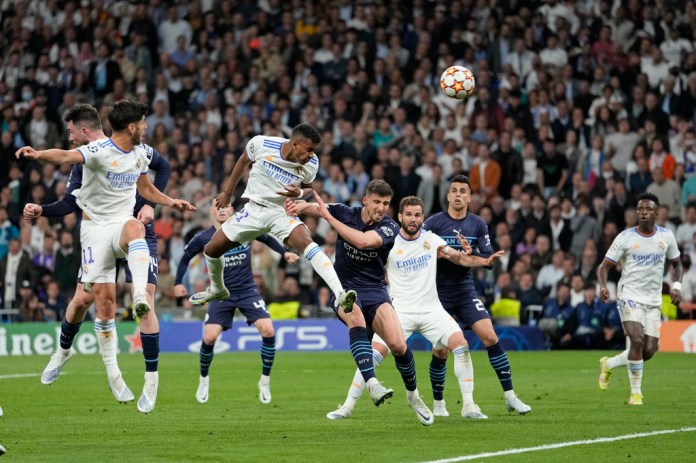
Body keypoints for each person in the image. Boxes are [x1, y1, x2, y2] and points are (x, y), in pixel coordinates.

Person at [16, 100, 195, 413]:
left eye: (72, 131)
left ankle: (150, 375)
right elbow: (67, 168)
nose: (146, 128)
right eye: (143, 123)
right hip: (96, 233)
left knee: (137, 240)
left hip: (128, 226)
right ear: (131, 126)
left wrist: (165, 202)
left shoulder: (141, 152)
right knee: (98, 304)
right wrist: (38, 156)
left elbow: (152, 180)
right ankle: (95, 366)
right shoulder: (93, 155)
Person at [327, 196, 505, 421]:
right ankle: (347, 406)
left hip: (432, 310)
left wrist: (484, 261)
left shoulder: (432, 239)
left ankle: (469, 405)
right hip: (399, 309)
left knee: (461, 345)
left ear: (423, 218)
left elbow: (459, 258)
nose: (413, 219)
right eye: (408, 215)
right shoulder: (389, 241)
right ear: (400, 217)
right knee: (374, 354)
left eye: (417, 215)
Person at [286, 181, 433, 425]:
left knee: (398, 344)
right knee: (354, 317)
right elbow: (311, 207)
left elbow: (364, 241)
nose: (381, 208)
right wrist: (295, 203)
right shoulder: (345, 212)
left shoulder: (389, 227)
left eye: (385, 203)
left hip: (375, 290)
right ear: (365, 200)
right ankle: (373, 384)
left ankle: (413, 396)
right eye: (377, 202)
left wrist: (328, 218)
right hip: (343, 288)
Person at [188, 123, 356, 314]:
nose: (312, 155)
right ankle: (218, 290)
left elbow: (309, 187)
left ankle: (340, 293)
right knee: (211, 250)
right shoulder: (261, 144)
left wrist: (299, 192)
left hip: (280, 212)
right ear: (295, 144)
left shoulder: (311, 163)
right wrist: (227, 192)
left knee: (307, 243)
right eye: (309, 149)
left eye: (314, 151)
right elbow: (243, 161)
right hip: (253, 210)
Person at [422, 175, 531, 415]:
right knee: (440, 350)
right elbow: (419, 250)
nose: (458, 194)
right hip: (437, 295)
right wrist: (446, 253)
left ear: (470, 198)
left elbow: (488, 258)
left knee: (491, 337)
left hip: (465, 291)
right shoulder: (433, 223)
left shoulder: (478, 224)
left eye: (463, 191)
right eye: (454, 191)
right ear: (448, 195)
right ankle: (439, 404)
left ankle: (510, 397)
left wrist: (480, 257)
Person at [174, 203, 299, 404]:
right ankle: (204, 379)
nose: (222, 209)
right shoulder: (204, 237)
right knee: (209, 337)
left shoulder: (244, 227)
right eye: (218, 206)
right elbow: (185, 257)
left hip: (247, 290)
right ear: (212, 211)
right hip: (220, 293)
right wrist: (178, 282)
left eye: (226, 206)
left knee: (268, 330)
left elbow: (266, 237)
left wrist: (284, 253)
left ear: (232, 211)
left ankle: (264, 381)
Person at [597, 192, 682, 405]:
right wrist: (603, 285)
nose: (643, 213)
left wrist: (677, 286)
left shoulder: (666, 236)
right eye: (640, 209)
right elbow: (604, 266)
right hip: (629, 295)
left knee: (648, 351)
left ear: (657, 212)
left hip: (653, 300)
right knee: (636, 339)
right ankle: (636, 394)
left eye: (648, 209)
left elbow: (677, 264)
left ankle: (608, 364)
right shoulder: (625, 237)